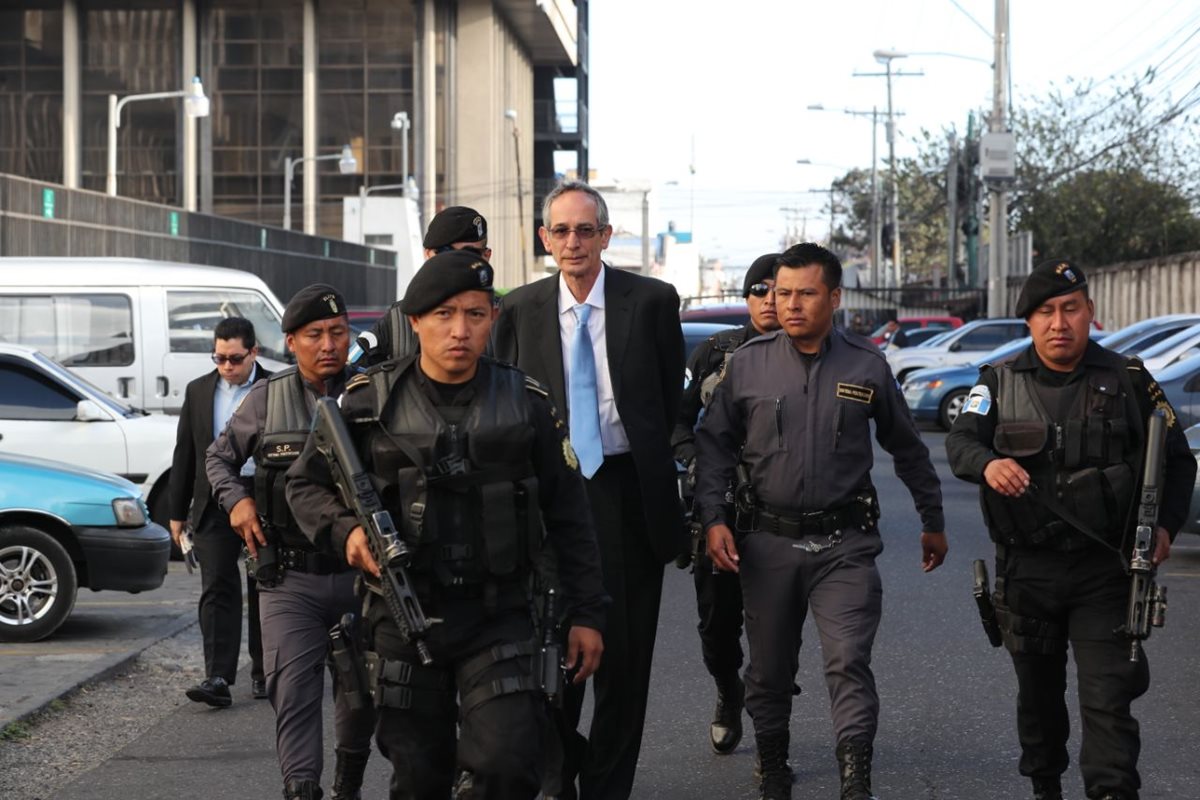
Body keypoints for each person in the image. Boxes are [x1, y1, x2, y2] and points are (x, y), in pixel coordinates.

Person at [286, 249, 608, 799]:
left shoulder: (526, 402)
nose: (460, 330)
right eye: (444, 315)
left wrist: (587, 614)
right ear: (414, 322)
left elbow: (570, 514)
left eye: (475, 314)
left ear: (493, 320)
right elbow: (304, 485)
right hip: (402, 616)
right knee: (419, 777)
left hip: (501, 614)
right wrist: (349, 533)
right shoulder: (367, 404)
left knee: (507, 766)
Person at [695, 242, 948, 800]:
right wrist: (714, 518)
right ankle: (773, 765)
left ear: (834, 297)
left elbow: (907, 448)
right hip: (766, 544)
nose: (790, 305)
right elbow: (714, 448)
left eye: (805, 293)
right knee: (768, 670)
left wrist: (932, 518)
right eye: (782, 293)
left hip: (845, 544)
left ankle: (855, 776)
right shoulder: (749, 365)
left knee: (848, 659)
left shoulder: (866, 366)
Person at [945, 259, 1197, 800]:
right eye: (1046, 312)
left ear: (1090, 313)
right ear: (1029, 323)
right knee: (1038, 696)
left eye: (1070, 309)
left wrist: (1166, 527)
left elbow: (1177, 458)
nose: (1059, 322)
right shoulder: (998, 380)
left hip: (1105, 570)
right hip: (1027, 569)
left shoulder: (1129, 379)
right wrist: (988, 464)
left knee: (1108, 697)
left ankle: (1110, 791)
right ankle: (1045, 785)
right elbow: (961, 442)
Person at [492, 180, 686, 800]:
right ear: (544, 239)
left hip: (627, 498)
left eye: (585, 230)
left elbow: (665, 402)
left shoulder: (652, 301)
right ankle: (559, 774)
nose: (572, 242)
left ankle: (608, 789)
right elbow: (503, 406)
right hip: (550, 506)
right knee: (551, 667)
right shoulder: (519, 309)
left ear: (605, 236)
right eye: (560, 231)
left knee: (625, 671)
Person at [206, 284, 375, 800]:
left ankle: (348, 782)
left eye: (337, 332)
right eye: (315, 334)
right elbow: (219, 459)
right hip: (289, 578)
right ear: (291, 340)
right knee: (294, 691)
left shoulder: (372, 393)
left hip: (362, 577)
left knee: (360, 693)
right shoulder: (267, 399)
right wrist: (236, 501)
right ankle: (302, 790)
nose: (328, 344)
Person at [670, 251, 780, 755]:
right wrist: (697, 460)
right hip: (719, 513)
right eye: (761, 290)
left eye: (782, 289)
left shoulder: (815, 354)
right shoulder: (716, 352)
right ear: (747, 297)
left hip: (785, 519)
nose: (772, 300)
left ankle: (771, 741)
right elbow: (678, 421)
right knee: (717, 630)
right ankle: (727, 691)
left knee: (774, 633)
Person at [169, 317, 270, 707]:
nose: (226, 366)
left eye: (235, 359)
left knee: (265, 585)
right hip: (213, 501)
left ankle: (266, 672)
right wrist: (178, 512)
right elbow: (186, 453)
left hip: (262, 497)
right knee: (217, 587)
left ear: (254, 352)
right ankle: (218, 677)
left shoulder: (274, 387)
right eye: (219, 358)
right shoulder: (198, 391)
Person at [357, 205, 491, 367]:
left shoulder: (506, 317)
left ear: (486, 256)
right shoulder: (398, 321)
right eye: (445, 253)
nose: (459, 332)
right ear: (427, 255)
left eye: (469, 254)